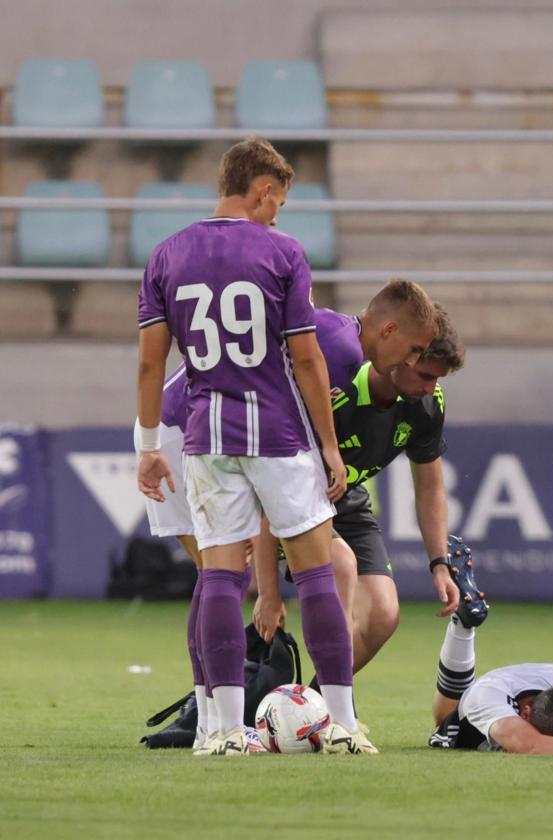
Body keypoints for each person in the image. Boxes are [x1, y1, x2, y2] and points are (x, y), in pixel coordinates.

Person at [137, 136, 365, 756]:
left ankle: (223, 731)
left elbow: (151, 362)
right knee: (317, 572)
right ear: (264, 190)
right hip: (278, 433)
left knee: (219, 578)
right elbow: (308, 355)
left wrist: (147, 443)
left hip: (205, 435)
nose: (278, 214)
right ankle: (341, 722)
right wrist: (329, 445)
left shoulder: (165, 254)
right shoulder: (283, 252)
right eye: (278, 202)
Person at [142, 281, 438, 749]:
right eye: (413, 349)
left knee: (220, 575)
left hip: (195, 426)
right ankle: (224, 723)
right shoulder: (337, 351)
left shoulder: (338, 341)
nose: (409, 361)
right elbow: (274, 435)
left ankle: (213, 725)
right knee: (225, 574)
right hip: (192, 429)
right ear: (389, 328)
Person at [255, 305, 480, 702]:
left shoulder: (428, 405)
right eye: (426, 374)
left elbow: (429, 489)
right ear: (403, 355)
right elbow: (272, 468)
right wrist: (267, 589)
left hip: (348, 502)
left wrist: (440, 563)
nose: (431, 387)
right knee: (340, 576)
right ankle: (325, 713)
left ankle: (310, 706)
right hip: (294, 497)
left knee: (383, 614)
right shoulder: (337, 387)